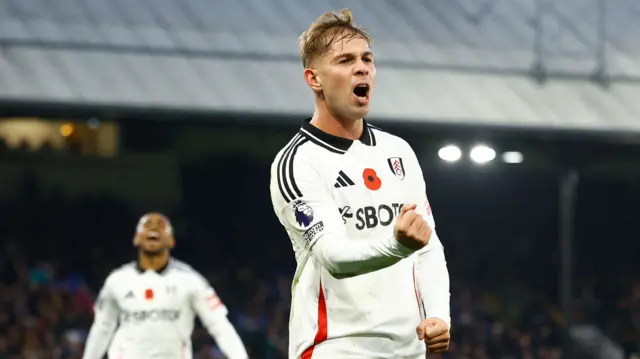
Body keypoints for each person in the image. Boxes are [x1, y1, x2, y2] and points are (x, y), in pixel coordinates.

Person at [269, 9, 451, 359]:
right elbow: (332, 256)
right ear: (314, 79)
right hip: (336, 347)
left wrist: (438, 315)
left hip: (408, 350)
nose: (362, 67)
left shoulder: (398, 152)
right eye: (345, 60)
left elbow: (428, 246)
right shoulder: (297, 162)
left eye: (367, 58)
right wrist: (397, 245)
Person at [82, 213, 248, 359]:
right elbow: (102, 329)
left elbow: (219, 325)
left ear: (171, 240)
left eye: (160, 225)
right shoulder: (117, 281)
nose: (154, 227)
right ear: (136, 238)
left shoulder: (191, 280)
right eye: (147, 225)